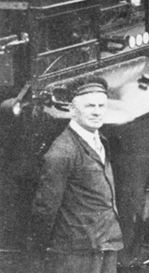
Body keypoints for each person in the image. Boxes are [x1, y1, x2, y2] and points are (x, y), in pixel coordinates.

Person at [30, 77, 123, 273]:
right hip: (77, 253)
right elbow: (45, 208)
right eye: (90, 106)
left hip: (106, 243)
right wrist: (40, 252)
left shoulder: (100, 141)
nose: (97, 112)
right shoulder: (62, 152)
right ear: (72, 110)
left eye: (101, 105)